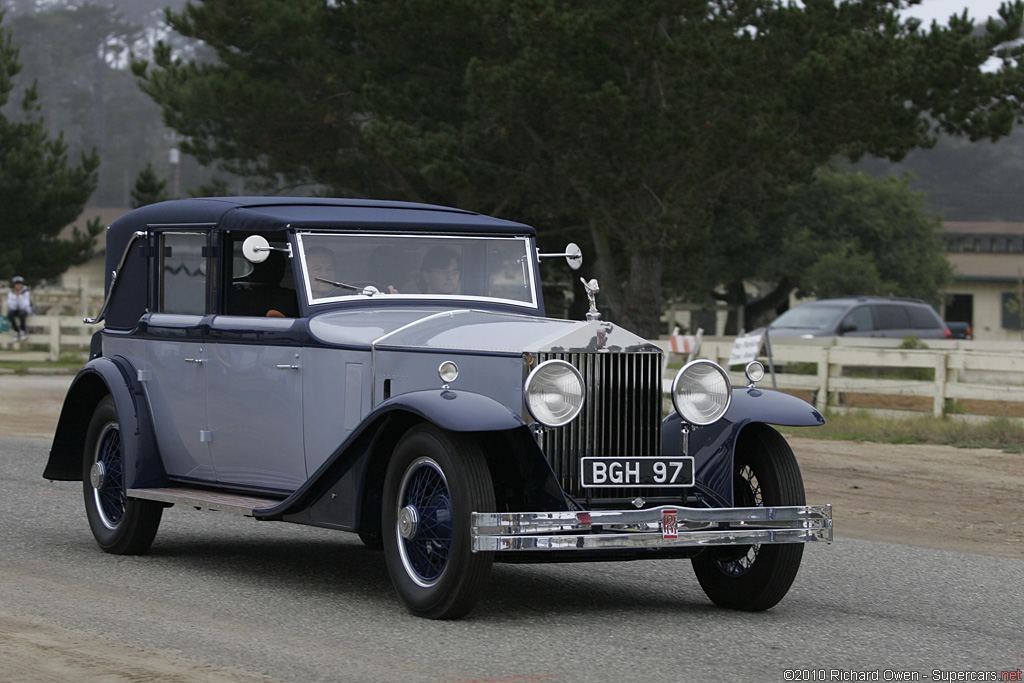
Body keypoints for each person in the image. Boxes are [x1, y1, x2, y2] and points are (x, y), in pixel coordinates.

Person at [6, 276, 33, 342]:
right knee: (10, 314)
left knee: (22, 314)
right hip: (15, 309)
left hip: (23, 310)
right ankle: (16, 330)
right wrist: (15, 296)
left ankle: (23, 330)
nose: (18, 286)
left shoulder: (26, 293)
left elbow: (26, 305)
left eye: (19, 284)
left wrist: (20, 296)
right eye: (16, 284)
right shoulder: (11, 294)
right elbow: (10, 305)